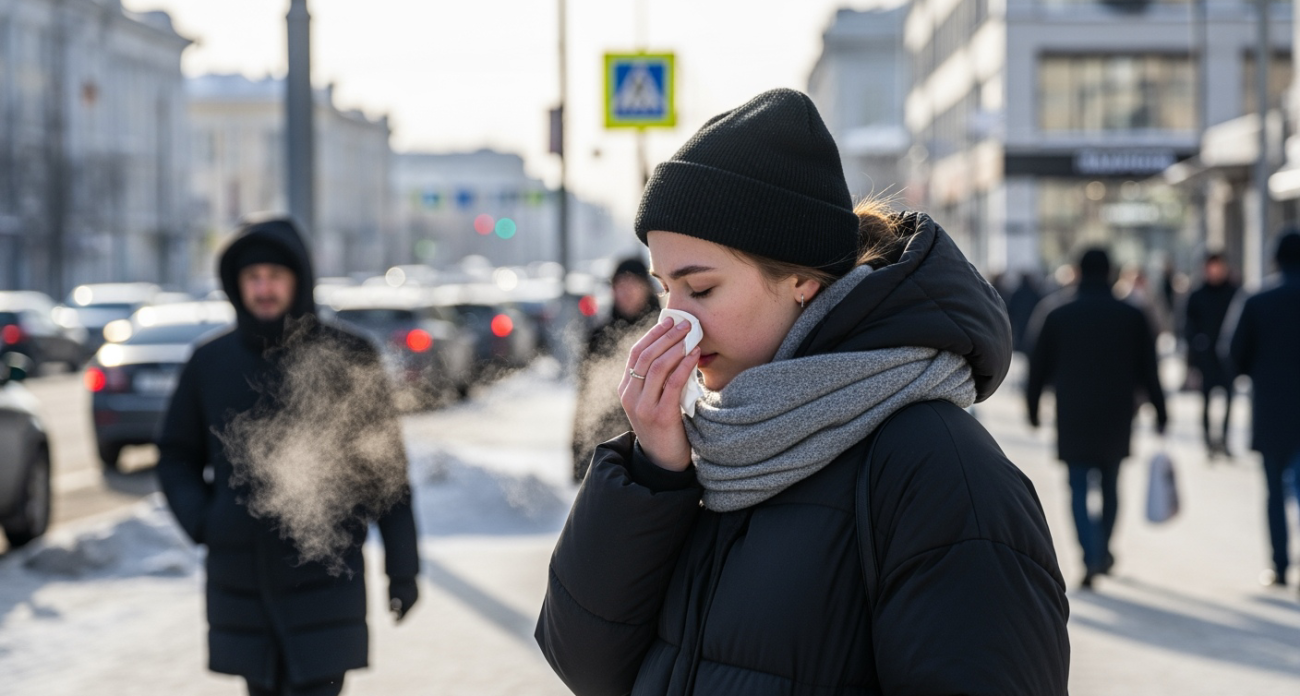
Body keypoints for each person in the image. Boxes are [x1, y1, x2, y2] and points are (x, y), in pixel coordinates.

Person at [535, 89, 1069, 696]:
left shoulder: (940, 469)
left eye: (700, 289)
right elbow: (588, 666)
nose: (672, 324)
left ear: (800, 280)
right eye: (665, 290)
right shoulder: (721, 443)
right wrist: (653, 474)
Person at [156, 217, 420, 696]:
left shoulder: (348, 355)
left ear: (298, 280)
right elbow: (176, 455)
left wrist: (403, 568)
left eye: (275, 276)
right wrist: (205, 519)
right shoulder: (209, 362)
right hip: (241, 578)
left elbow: (386, 473)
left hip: (324, 572)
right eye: (252, 277)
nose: (263, 288)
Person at [1026, 248, 1168, 589]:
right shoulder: (1131, 315)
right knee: (1110, 484)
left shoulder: (1057, 313)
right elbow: (1150, 368)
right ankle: (1103, 549)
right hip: (1116, 413)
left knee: (1076, 485)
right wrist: (1162, 411)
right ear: (1110, 272)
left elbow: (1037, 367)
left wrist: (1031, 409)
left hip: (1072, 413)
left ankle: (1088, 555)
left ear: (1076, 271)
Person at [1227, 231, 1300, 589]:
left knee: (1274, 492)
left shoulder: (1257, 299)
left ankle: (1280, 565)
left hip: (1271, 408)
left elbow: (1233, 353)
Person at [571, 257, 660, 482]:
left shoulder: (662, 333)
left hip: (655, 450)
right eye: (619, 284)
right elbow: (586, 397)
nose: (624, 291)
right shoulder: (599, 337)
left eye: (632, 283)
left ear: (647, 287)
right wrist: (578, 450)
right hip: (609, 445)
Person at [1183, 252, 1239, 458]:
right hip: (1205, 357)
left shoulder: (1234, 293)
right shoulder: (1197, 295)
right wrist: (1195, 351)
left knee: (1228, 400)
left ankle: (1224, 439)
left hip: (1227, 358)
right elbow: (1187, 326)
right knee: (1206, 400)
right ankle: (1208, 441)